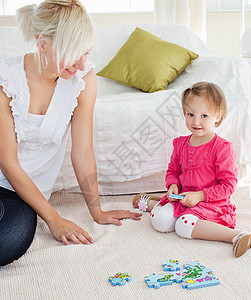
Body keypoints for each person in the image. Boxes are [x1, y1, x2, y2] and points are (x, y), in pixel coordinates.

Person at [0, 0, 141, 266]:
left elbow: (83, 152)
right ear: (43, 44)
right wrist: (54, 219)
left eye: (85, 52)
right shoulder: (5, 78)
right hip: (4, 177)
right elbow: (7, 162)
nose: (81, 62)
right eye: (73, 52)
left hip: (18, 196)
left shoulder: (83, 79)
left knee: (12, 236)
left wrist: (96, 211)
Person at [133, 82, 251, 258]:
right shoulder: (180, 144)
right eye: (190, 114)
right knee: (160, 222)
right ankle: (154, 203)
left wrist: (200, 196)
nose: (196, 121)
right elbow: (173, 171)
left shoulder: (222, 148)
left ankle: (236, 236)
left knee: (183, 226)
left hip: (210, 203)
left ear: (218, 115)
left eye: (204, 115)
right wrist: (173, 185)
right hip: (183, 199)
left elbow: (228, 185)